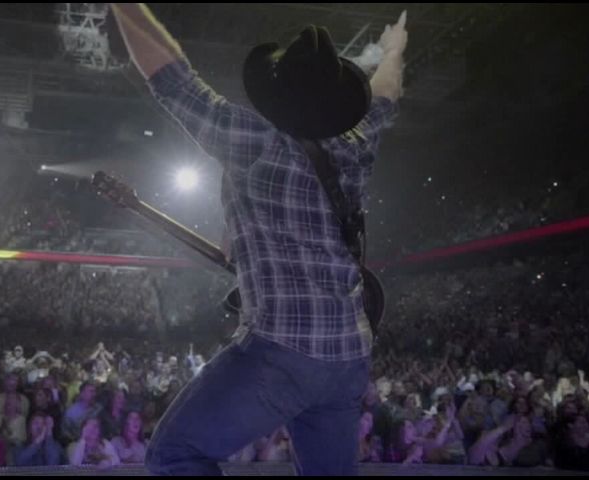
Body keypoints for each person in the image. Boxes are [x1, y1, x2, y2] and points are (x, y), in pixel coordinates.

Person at [111, 3, 407, 475]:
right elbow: (386, 96)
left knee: (173, 454)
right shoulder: (355, 147)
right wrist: (394, 50)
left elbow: (172, 79)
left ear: (276, 94)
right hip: (348, 356)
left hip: (282, 352)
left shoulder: (257, 142)